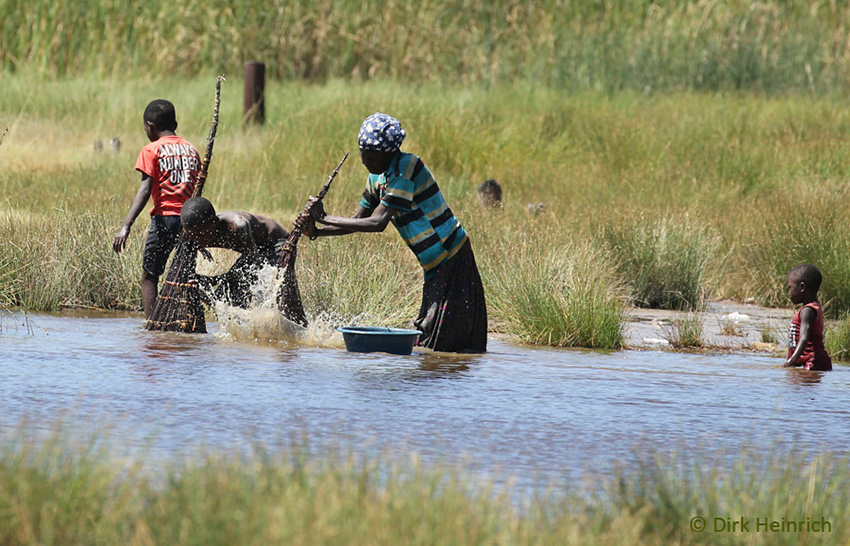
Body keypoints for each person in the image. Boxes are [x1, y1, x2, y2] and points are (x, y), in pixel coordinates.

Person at [304, 112, 487, 353]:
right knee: (434, 336)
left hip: (452, 256)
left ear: (387, 153)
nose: (363, 160)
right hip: (434, 264)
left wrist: (323, 217)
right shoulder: (377, 177)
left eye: (369, 155)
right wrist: (316, 231)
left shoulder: (406, 169)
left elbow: (377, 222)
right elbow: (358, 220)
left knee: (447, 338)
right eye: (361, 153)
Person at [113, 99, 201, 319]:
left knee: (150, 276)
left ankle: (153, 327)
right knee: (185, 274)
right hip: (190, 222)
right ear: (175, 124)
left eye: (145, 127)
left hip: (165, 220)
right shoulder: (192, 150)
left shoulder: (152, 150)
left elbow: (145, 190)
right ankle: (186, 322)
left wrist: (126, 226)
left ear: (150, 125)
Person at [179, 197, 307, 326]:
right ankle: (244, 333)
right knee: (227, 298)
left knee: (271, 292)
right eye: (193, 235)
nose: (197, 239)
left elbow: (255, 265)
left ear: (213, 224)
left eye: (201, 234)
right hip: (253, 252)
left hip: (275, 244)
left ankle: (297, 328)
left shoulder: (237, 226)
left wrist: (215, 280)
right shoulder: (194, 232)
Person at [783, 263, 832, 371]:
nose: (788, 293)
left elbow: (804, 339)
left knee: (804, 386)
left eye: (790, 288)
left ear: (802, 287)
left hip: (813, 362)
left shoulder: (807, 311)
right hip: (809, 362)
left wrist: (791, 361)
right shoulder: (811, 307)